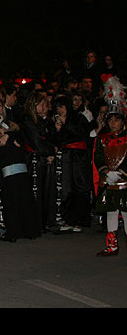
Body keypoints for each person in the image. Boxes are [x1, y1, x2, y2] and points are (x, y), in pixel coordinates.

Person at [0, 94, 41, 242]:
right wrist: (10, 140)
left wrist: (10, 137)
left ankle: (27, 230)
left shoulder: (11, 121)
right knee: (8, 198)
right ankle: (9, 230)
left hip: (18, 163)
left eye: (0, 105)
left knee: (23, 196)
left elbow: (22, 139)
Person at [93, 86, 127, 256]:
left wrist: (121, 173)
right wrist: (106, 172)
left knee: (126, 213)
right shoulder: (103, 139)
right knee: (111, 212)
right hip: (109, 181)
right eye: (110, 120)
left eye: (116, 120)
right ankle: (112, 245)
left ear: (123, 121)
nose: (113, 123)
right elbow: (98, 157)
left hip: (124, 181)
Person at [52, 94, 93, 232]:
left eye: (62, 107)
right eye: (57, 107)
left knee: (80, 187)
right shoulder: (57, 120)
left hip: (79, 156)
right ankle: (68, 219)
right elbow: (57, 140)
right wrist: (58, 130)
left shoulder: (79, 118)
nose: (60, 110)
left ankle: (79, 220)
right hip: (66, 156)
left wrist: (66, 124)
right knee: (66, 187)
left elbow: (83, 134)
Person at [21, 91, 58, 232]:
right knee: (36, 191)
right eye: (41, 104)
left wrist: (51, 151)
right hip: (34, 160)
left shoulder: (44, 121)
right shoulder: (28, 120)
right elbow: (37, 142)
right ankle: (35, 222)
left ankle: (44, 220)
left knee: (46, 191)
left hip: (44, 159)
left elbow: (51, 139)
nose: (45, 107)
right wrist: (49, 151)